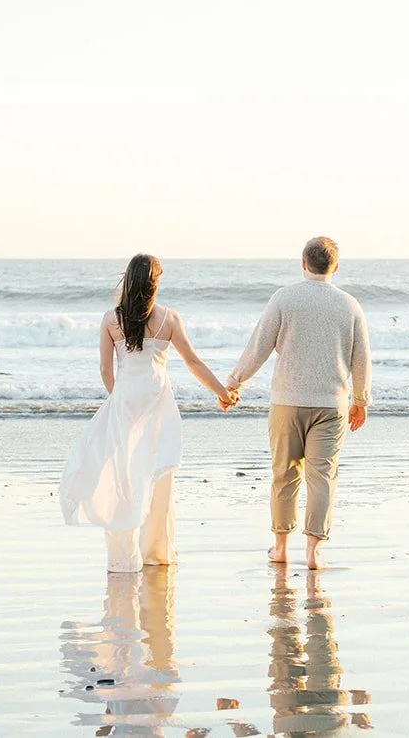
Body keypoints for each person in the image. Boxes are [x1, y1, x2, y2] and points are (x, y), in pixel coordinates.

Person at [60, 253, 237, 572]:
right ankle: (156, 552)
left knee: (124, 473)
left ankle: (124, 556)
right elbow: (193, 362)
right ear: (155, 284)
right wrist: (222, 393)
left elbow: (105, 369)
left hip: (126, 398)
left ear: (128, 280)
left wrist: (117, 398)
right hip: (157, 400)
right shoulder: (169, 318)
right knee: (157, 472)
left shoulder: (111, 319)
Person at [226, 237, 371, 569]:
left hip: (287, 403)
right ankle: (313, 552)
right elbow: (361, 359)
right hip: (331, 405)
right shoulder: (349, 305)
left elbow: (259, 347)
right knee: (322, 476)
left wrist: (234, 383)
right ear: (334, 267)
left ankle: (280, 547)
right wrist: (361, 400)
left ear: (303, 263)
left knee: (284, 474)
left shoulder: (284, 298)